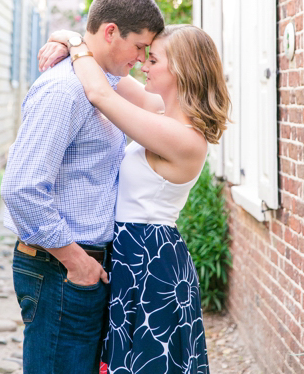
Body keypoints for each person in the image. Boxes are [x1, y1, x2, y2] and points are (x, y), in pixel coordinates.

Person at [38, 23, 231, 374]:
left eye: (153, 59)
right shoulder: (160, 111)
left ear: (181, 69)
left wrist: (74, 43)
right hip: (131, 252)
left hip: (150, 259)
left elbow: (101, 94)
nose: (143, 64)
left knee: (145, 362)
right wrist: (66, 37)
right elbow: (103, 67)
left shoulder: (185, 138)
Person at [0, 0, 165, 374]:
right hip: (61, 269)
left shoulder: (102, 81)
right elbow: (20, 187)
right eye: (140, 47)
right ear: (111, 32)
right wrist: (77, 263)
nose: (143, 59)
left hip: (80, 268)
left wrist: (72, 39)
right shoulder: (67, 91)